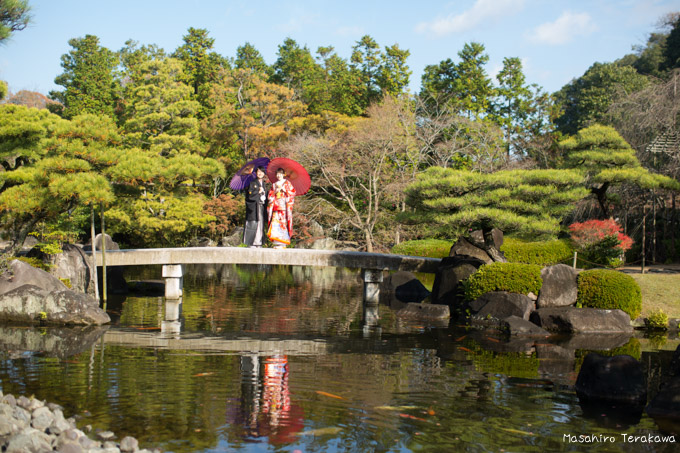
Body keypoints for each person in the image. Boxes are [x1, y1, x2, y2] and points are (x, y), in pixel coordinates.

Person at [267, 168, 296, 248]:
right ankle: (276, 241)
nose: (278, 175)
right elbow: (270, 196)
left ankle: (283, 242)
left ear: (284, 174)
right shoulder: (274, 184)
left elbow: (293, 193)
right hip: (276, 206)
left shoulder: (287, 183)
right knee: (276, 223)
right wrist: (274, 193)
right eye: (277, 174)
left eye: (280, 173)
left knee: (283, 223)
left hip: (283, 206)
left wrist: (285, 190)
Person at [243, 166, 268, 247]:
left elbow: (266, 196)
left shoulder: (264, 184)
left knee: (260, 225)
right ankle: (252, 242)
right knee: (253, 224)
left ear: (264, 173)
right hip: (254, 208)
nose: (260, 173)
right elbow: (249, 196)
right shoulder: (252, 183)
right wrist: (258, 191)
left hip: (261, 207)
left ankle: (259, 242)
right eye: (258, 172)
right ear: (256, 173)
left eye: (261, 172)